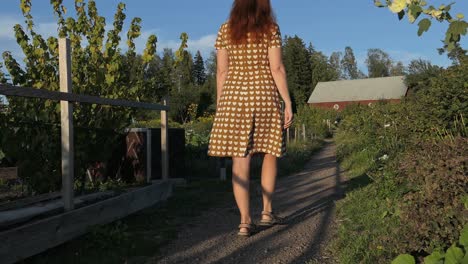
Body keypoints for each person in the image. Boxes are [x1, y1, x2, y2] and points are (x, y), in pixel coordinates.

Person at [207, 0, 293, 237]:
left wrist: (220, 106)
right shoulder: (270, 29)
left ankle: (245, 222)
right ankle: (266, 213)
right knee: (269, 152)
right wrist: (288, 101)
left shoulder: (226, 29)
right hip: (264, 95)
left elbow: (221, 71)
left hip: (233, 98)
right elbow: (277, 69)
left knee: (240, 159)